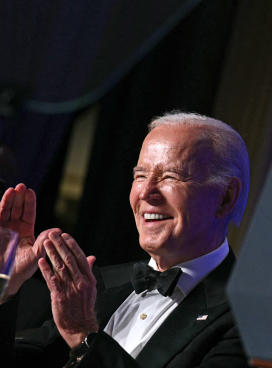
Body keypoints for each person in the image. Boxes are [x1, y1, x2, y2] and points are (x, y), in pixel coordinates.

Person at [0, 111, 251, 367]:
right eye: (140, 176)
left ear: (226, 197)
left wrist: (85, 336)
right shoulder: (96, 287)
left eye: (170, 176)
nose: (145, 192)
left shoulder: (247, 320)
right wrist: (4, 285)